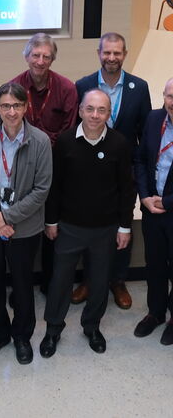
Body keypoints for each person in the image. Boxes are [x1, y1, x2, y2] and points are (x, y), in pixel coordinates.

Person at [41, 89, 135, 357]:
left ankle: (92, 326)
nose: (95, 115)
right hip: (69, 227)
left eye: (101, 110)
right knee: (60, 281)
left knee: (99, 280)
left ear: (109, 113)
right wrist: (51, 221)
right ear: (81, 111)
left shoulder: (119, 144)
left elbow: (127, 190)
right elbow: (55, 186)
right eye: (90, 109)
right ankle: (53, 329)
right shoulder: (66, 142)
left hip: (105, 229)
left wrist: (125, 226)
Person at [0, 82, 52, 364]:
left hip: (24, 228)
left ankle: (21, 337)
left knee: (22, 283)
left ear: (25, 107)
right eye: (5, 105)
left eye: (17, 105)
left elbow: (41, 190)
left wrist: (7, 217)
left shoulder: (40, 141)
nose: (11, 111)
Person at [72, 32, 152, 309]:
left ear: (125, 55)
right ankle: (89, 280)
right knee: (87, 225)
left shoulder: (139, 88)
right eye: (107, 52)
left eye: (117, 53)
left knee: (123, 224)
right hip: (88, 172)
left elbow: (144, 133)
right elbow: (76, 129)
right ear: (99, 53)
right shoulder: (82, 85)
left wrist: (139, 174)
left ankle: (117, 280)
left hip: (123, 173)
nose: (112, 58)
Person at [11, 32, 78, 294]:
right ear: (27, 56)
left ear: (52, 59)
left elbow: (69, 130)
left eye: (46, 56)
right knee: (23, 229)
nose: (40, 61)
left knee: (53, 229)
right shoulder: (14, 86)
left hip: (56, 168)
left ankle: (51, 283)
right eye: (35, 55)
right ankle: (21, 287)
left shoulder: (67, 88)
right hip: (21, 169)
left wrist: (40, 142)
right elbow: (12, 126)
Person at [133, 77, 173, 346]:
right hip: (151, 209)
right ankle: (156, 313)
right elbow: (141, 160)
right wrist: (145, 196)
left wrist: (167, 202)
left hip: (171, 208)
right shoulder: (153, 118)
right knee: (155, 264)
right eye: (170, 96)